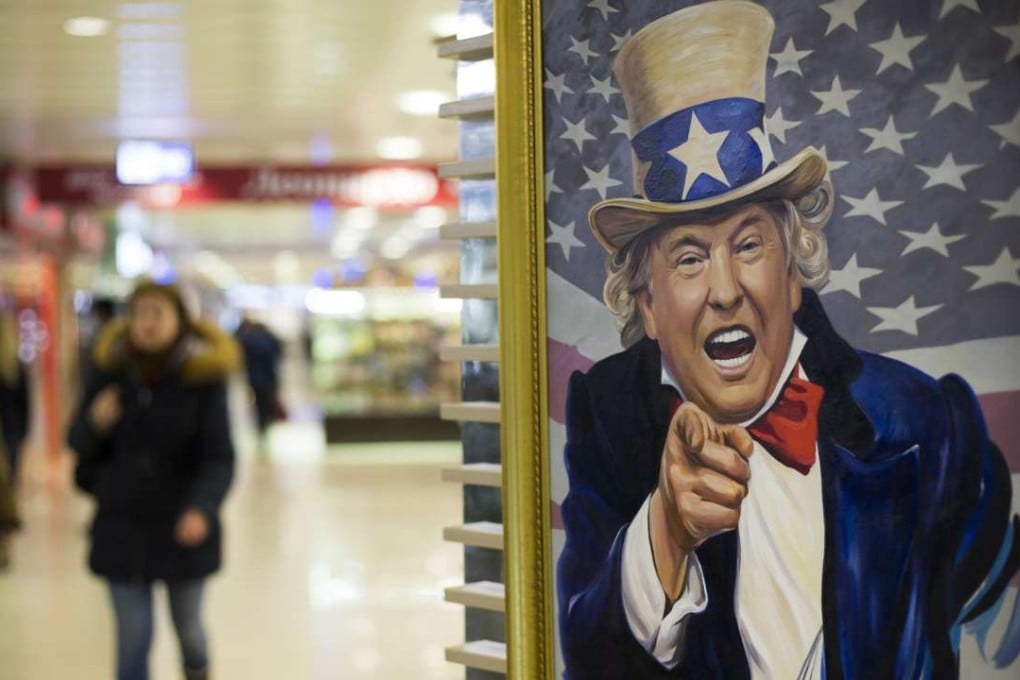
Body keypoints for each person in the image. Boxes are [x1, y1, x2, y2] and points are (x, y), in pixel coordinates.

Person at [556, 3, 1018, 678]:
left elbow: (998, 636)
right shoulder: (609, 420)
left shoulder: (928, 423)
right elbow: (586, 653)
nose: (724, 290)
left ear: (794, 271)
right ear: (647, 305)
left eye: (749, 245)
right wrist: (665, 533)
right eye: (688, 257)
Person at [68, 279, 239, 680]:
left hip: (184, 528)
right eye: (139, 313)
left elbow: (219, 458)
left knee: (190, 631)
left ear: (179, 321)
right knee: (133, 640)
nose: (147, 323)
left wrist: (202, 508)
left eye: (157, 313)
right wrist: (94, 425)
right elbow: (77, 443)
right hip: (122, 528)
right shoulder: (108, 372)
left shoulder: (203, 379)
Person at [234, 314, 284, 438]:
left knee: (259, 402)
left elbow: (241, 354)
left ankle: (262, 424)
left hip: (254, 377)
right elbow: (278, 353)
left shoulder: (248, 341)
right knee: (268, 400)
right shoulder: (270, 339)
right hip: (269, 376)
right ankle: (266, 422)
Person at [0, 310, 30, 482]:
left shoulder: (14, 365)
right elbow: (25, 402)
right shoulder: (15, 365)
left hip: (10, 429)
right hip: (13, 429)